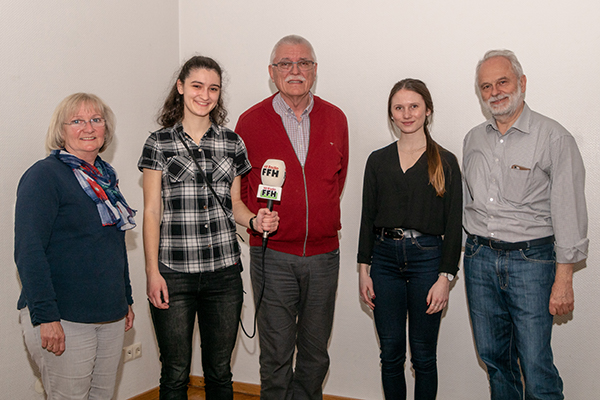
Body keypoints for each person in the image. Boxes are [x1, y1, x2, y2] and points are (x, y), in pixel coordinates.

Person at [138, 55, 278, 400]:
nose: (205, 95)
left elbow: (235, 207)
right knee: (174, 373)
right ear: (181, 87)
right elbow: (152, 212)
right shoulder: (159, 143)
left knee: (219, 373)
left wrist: (256, 221)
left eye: (213, 88)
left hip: (223, 275)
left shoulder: (231, 143)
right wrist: (152, 272)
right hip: (174, 274)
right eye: (197, 86)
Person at [463, 49, 588, 400]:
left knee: (535, 364)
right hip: (478, 259)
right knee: (495, 359)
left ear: (522, 83)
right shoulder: (473, 139)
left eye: (502, 81)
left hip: (531, 262)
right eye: (485, 86)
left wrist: (563, 279)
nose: (495, 92)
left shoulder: (554, 137)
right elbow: (469, 203)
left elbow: (569, 211)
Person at [235, 35, 349, 400]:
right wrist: (256, 221)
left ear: (315, 71)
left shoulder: (336, 118)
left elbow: (336, 179)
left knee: (315, 356)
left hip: (323, 256)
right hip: (273, 258)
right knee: (277, 355)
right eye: (286, 63)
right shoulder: (249, 122)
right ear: (272, 72)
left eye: (304, 63)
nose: (295, 70)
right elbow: (242, 190)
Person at [15, 93, 136, 400]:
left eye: (96, 119)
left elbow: (113, 244)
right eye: (78, 121)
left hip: (109, 314)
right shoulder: (44, 176)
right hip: (64, 318)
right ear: (62, 130)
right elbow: (29, 251)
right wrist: (46, 317)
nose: (88, 127)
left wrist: (126, 299)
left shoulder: (105, 178)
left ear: (106, 129)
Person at [357, 79, 462, 400]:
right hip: (383, 262)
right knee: (390, 355)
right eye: (399, 108)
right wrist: (363, 270)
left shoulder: (445, 161)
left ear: (427, 110)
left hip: (428, 261)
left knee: (423, 357)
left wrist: (446, 277)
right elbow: (367, 218)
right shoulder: (377, 160)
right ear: (391, 114)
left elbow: (454, 224)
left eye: (414, 106)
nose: (407, 114)